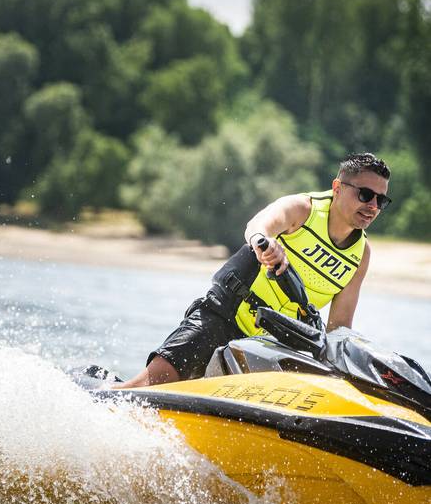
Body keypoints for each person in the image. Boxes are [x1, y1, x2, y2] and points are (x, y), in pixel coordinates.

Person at [113, 152, 392, 388]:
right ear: (338, 187)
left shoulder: (361, 255)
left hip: (271, 349)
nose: (372, 206)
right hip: (223, 318)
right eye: (366, 195)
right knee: (149, 386)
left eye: (381, 201)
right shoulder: (302, 209)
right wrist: (264, 242)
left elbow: (338, 329)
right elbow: (259, 224)